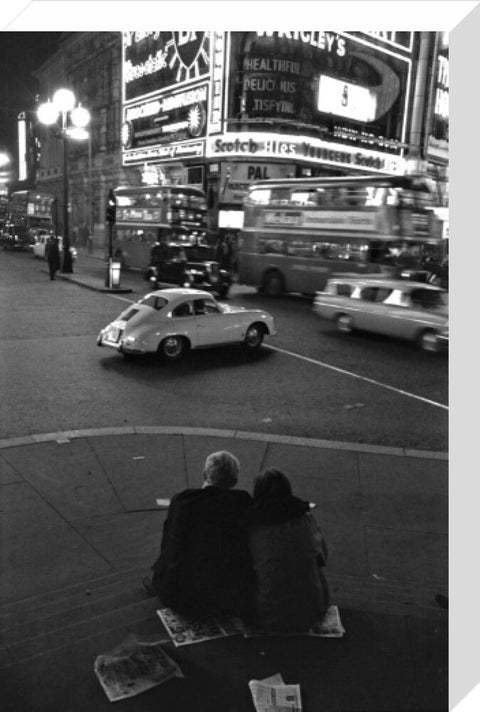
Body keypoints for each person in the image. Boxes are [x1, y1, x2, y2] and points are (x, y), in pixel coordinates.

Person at [149, 451, 254, 618]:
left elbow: (168, 545)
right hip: (226, 597)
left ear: (204, 474)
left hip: (177, 594)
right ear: (234, 481)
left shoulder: (183, 501)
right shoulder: (241, 502)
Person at [248, 468, 330, 633]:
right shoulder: (306, 518)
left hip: (267, 615)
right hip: (312, 611)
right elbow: (323, 556)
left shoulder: (252, 523)